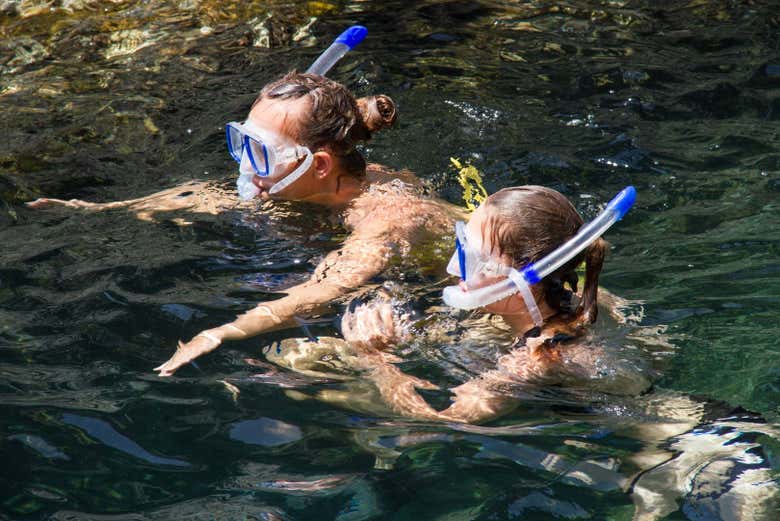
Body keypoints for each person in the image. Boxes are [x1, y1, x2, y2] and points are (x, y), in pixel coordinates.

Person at [28, 71, 461, 376]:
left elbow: (323, 291)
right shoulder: (309, 185)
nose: (244, 166)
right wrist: (101, 209)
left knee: (302, 361)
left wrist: (222, 331)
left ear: (321, 165)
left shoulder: (385, 218)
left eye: (260, 153)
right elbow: (203, 194)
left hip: (452, 296)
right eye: (242, 144)